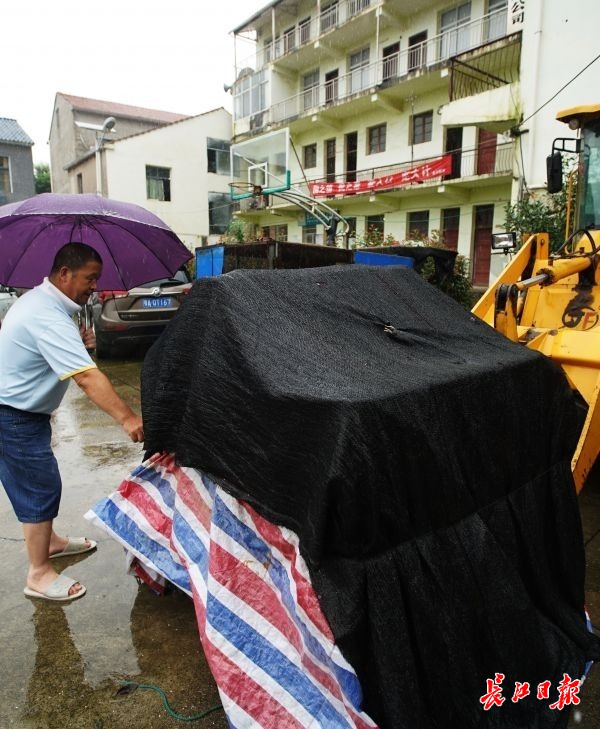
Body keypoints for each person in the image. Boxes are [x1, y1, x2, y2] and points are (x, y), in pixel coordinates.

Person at [0, 242, 144, 602]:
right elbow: (86, 378)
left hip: (22, 412)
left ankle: (49, 542)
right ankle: (38, 574)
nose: (94, 286)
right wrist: (127, 418)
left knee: (40, 482)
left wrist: (77, 343)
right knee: (38, 487)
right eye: (89, 278)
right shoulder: (45, 314)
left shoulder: (46, 305)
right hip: (12, 415)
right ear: (64, 274)